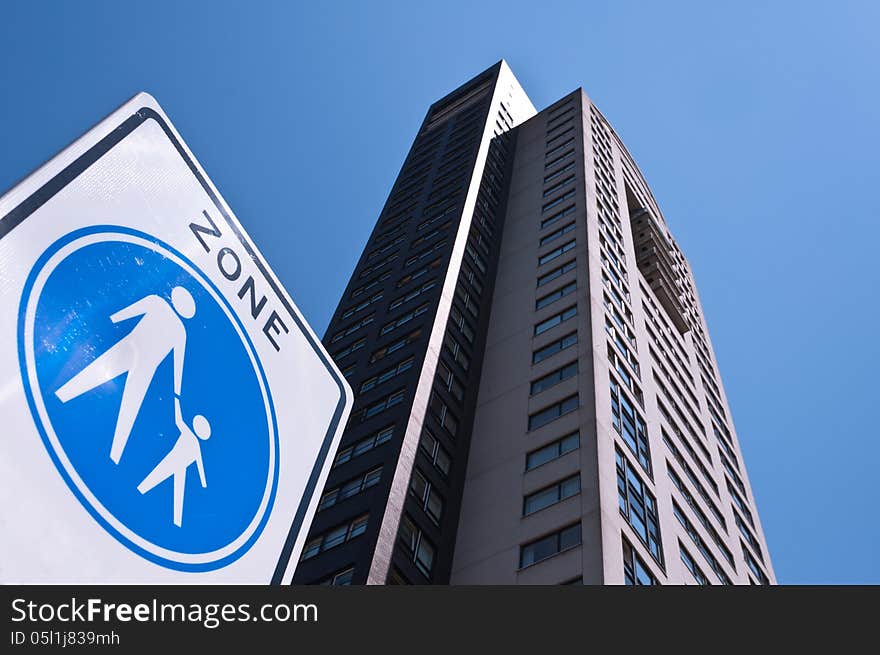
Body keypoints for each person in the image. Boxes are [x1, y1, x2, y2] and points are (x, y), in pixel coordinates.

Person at [55, 286, 195, 464]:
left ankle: (114, 455)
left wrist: (112, 319)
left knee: (121, 399)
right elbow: (178, 366)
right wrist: (176, 392)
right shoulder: (174, 323)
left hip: (137, 358)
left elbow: (178, 364)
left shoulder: (167, 314)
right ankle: (115, 455)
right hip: (133, 353)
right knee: (125, 402)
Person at [136, 396, 211, 528]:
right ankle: (176, 521)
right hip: (175, 462)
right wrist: (203, 484)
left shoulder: (191, 438)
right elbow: (200, 467)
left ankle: (175, 521)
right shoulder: (194, 442)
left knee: (158, 479)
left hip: (175, 463)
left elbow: (179, 421)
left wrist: (176, 402)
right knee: (172, 489)